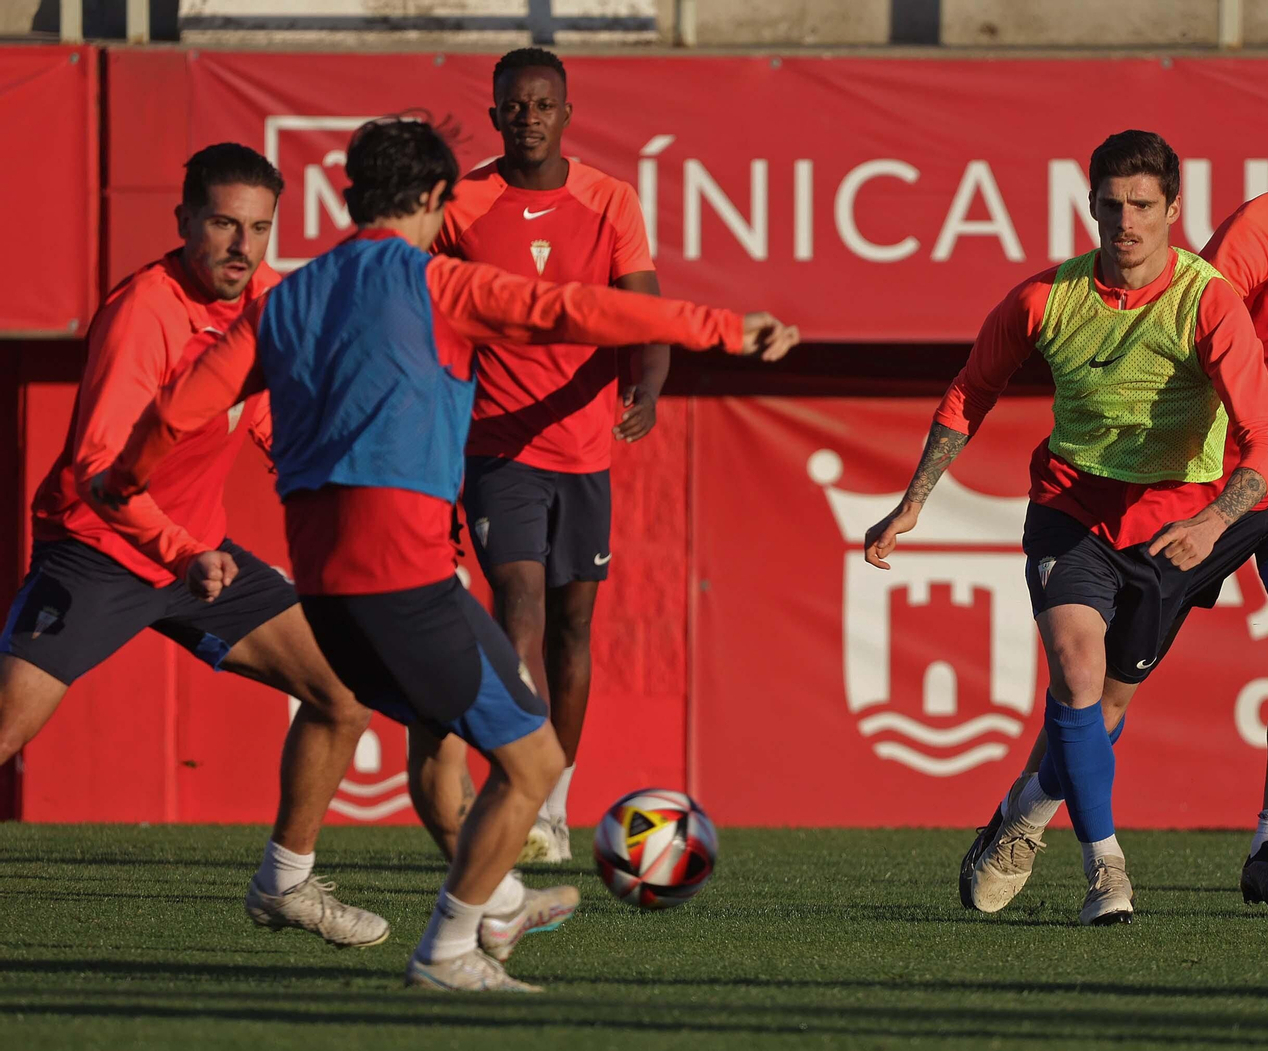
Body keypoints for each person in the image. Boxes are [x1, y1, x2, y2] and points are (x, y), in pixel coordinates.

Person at [97, 117, 798, 991]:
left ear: (348, 195)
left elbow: (182, 406)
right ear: (435, 200)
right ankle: (448, 947)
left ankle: (495, 900)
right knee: (535, 765)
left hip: (323, 592)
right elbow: (575, 310)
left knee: (437, 739)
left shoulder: (286, 299)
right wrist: (721, 326)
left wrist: (125, 478)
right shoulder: (438, 283)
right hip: (404, 576)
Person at [958, 75, 1268, 915]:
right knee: (1103, 695)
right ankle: (1028, 809)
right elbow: (1198, 343)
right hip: (1223, 480)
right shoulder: (1257, 229)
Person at [866, 130, 1268, 926]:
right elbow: (969, 391)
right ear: (1089, 205)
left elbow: (1266, 442)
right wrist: (917, 498)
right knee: (1076, 671)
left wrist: (1215, 520)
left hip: (1175, 532)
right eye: (1111, 204)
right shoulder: (1045, 299)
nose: (1126, 221)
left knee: (1105, 707)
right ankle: (1107, 872)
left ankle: (1023, 815)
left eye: (1143, 205)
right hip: (1070, 512)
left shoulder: (1208, 302)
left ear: (1173, 209)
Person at [1, 143, 388, 949]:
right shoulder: (145, 311)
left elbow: (276, 415)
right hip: (97, 548)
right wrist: (180, 549)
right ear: (183, 223)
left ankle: (285, 885)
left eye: (259, 228)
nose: (242, 246)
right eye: (223, 223)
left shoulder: (270, 299)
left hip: (197, 556)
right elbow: (98, 468)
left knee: (341, 697)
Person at [418, 47, 667, 865]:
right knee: (515, 609)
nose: (527, 117)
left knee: (571, 628)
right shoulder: (462, 203)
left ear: (566, 113)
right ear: (494, 117)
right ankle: (512, 787)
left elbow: (646, 313)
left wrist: (648, 387)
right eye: (513, 106)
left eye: (541, 105)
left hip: (584, 446)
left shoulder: (610, 199)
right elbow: (425, 303)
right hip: (497, 444)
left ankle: (553, 800)